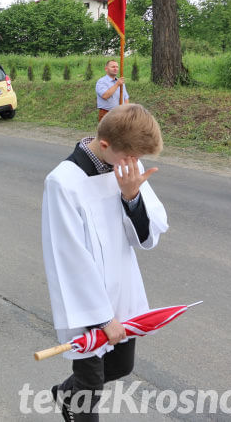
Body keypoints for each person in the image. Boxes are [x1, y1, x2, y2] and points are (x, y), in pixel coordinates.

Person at [41, 103, 168, 421]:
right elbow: (68, 256)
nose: (135, 164)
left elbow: (147, 236)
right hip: (86, 302)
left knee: (121, 366)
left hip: (122, 288)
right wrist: (100, 318)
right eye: (132, 156)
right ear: (106, 144)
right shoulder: (63, 181)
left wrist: (131, 197)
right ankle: (74, 400)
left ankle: (64, 393)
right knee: (90, 385)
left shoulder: (124, 169)